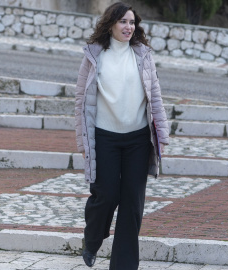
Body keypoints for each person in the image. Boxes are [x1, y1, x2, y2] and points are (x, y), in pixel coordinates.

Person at [74, 2, 169, 269]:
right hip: (105, 138)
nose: (129, 27)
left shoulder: (142, 55)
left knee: (132, 205)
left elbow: (156, 97)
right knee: (105, 195)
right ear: (111, 24)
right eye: (123, 22)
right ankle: (92, 240)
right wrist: (83, 140)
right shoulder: (94, 56)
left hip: (138, 140)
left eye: (132, 22)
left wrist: (161, 134)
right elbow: (81, 99)